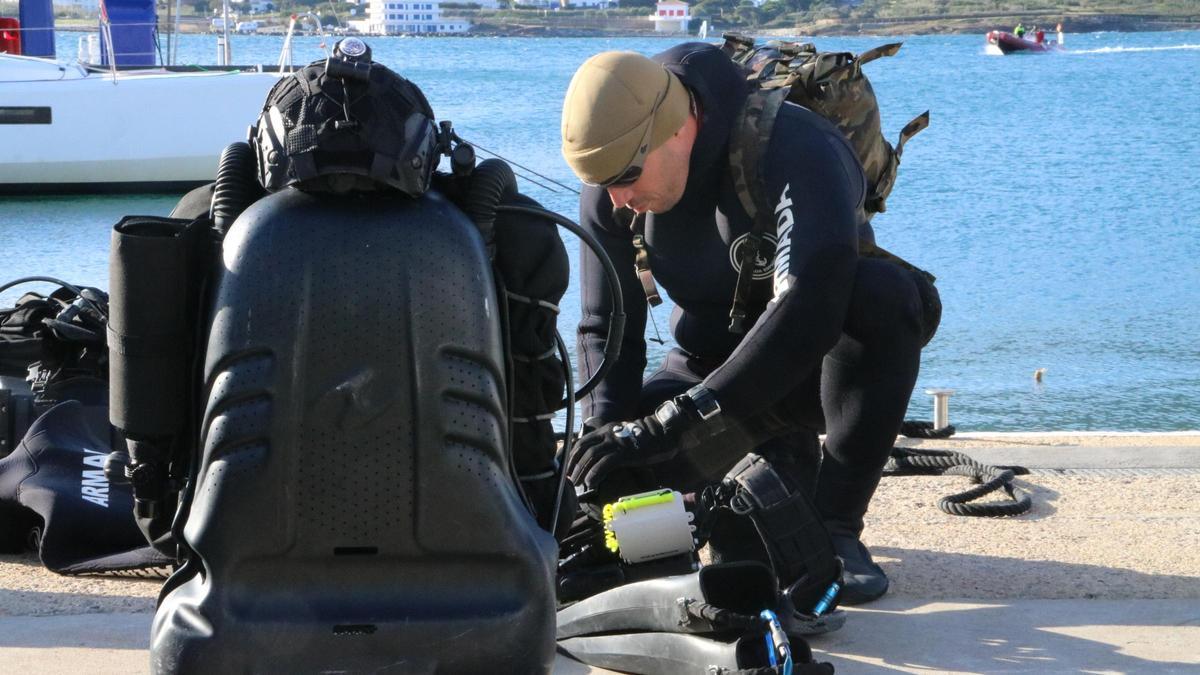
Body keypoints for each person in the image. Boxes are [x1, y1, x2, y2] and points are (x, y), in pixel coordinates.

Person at [560, 44, 940, 606]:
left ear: (678, 128)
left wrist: (677, 421)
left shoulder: (796, 146)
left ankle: (837, 526)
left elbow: (807, 307)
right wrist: (609, 435)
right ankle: (776, 469)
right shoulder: (614, 178)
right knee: (616, 500)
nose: (620, 198)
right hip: (703, 370)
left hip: (814, 374)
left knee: (886, 296)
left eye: (628, 176)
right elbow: (605, 325)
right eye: (605, 182)